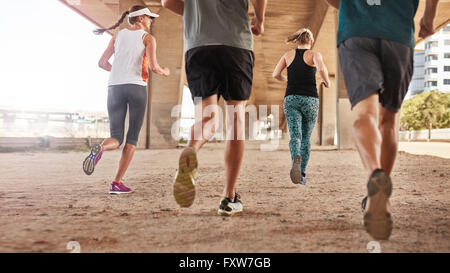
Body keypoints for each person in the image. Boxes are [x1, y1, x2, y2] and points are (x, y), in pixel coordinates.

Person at [326, 0, 440, 240]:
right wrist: (429, 18)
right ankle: (380, 200)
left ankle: (374, 177)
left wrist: (351, 6)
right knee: (388, 122)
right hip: (397, 32)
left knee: (363, 114)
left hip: (356, 31)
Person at [161, 0, 267, 215]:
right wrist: (259, 19)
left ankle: (191, 150)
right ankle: (228, 197)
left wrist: (194, 13)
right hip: (236, 44)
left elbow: (167, 2)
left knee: (207, 119)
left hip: (198, 45)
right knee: (235, 123)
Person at [83, 5, 170, 194]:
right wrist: (165, 71)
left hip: (114, 87)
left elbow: (102, 63)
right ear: (140, 19)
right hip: (137, 87)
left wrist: (118, 72)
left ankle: (101, 148)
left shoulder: (118, 36)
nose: (151, 21)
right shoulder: (148, 38)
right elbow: (154, 67)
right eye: (149, 18)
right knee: (131, 138)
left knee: (115, 137)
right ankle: (116, 182)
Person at [272, 28, 330, 185]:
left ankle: (295, 157)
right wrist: (326, 81)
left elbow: (275, 74)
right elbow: (321, 68)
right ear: (310, 41)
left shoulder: (287, 55)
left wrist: (287, 80)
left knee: (295, 136)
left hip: (291, 99)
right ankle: (302, 174)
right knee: (306, 138)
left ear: (296, 41)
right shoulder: (315, 55)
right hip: (310, 99)